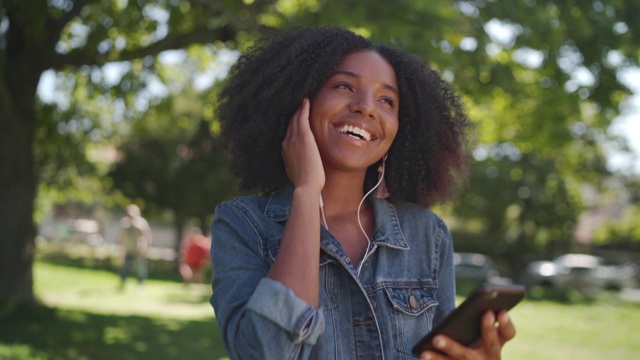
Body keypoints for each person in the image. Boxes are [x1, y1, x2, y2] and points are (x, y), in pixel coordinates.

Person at [210, 26, 516, 360]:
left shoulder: (428, 234)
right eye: (344, 85)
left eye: (387, 100)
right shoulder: (243, 225)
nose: (366, 108)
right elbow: (265, 352)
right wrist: (307, 190)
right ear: (297, 100)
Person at [117, 204, 152, 290]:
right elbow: (121, 238)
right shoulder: (124, 223)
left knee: (140, 268)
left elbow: (147, 236)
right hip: (128, 249)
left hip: (139, 250)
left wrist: (145, 248)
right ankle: (122, 284)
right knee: (124, 268)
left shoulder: (142, 223)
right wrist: (120, 251)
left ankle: (140, 284)